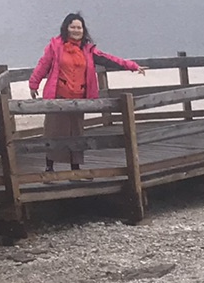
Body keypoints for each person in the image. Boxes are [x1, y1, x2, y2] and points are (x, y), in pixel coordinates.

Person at [29, 13, 147, 172]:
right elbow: (43, 65)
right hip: (58, 97)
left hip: (79, 99)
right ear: (66, 28)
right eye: (73, 27)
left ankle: (75, 168)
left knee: (76, 133)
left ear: (83, 30)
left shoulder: (88, 50)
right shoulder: (55, 46)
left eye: (79, 27)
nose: (76, 30)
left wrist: (132, 66)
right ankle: (49, 167)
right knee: (54, 131)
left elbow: (109, 59)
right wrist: (33, 84)